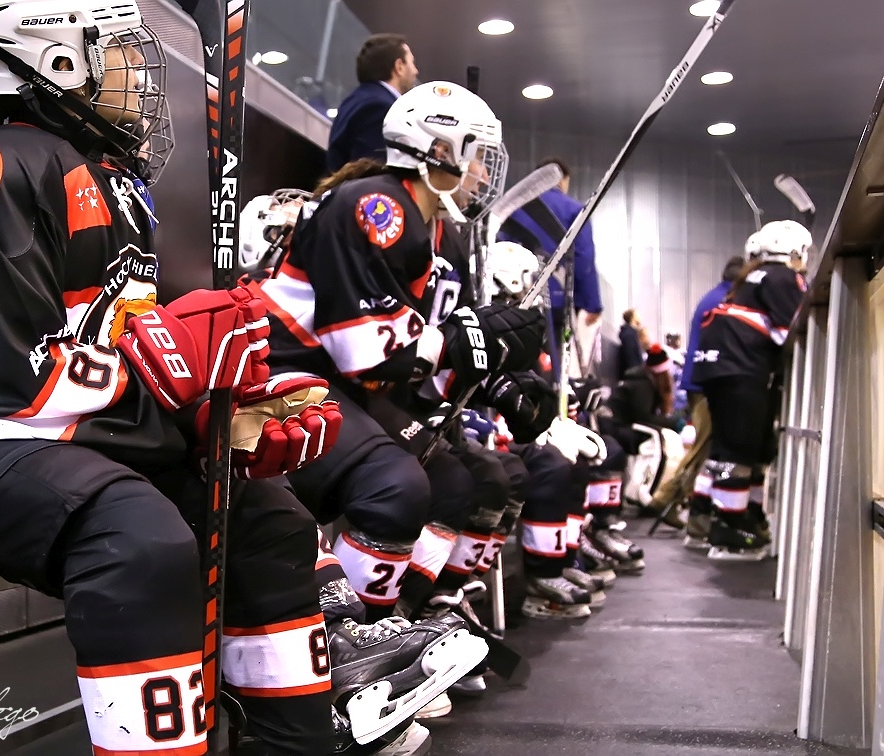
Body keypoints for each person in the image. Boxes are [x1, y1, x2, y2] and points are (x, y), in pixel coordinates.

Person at [0, 4, 456, 754]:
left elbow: (92, 369)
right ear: (57, 61)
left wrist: (204, 418)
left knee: (265, 517)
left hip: (19, 423)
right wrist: (168, 391)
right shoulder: (1, 167)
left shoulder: (114, 186)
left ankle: (303, 741)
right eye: (120, 54)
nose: (139, 75)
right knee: (135, 532)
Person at [257, 80, 545, 622]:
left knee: (459, 479)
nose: (483, 174)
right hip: (278, 370)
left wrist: (497, 376)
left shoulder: (429, 225)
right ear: (439, 152)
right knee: (397, 482)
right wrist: (475, 338)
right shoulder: (377, 206)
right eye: (477, 157)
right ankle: (341, 636)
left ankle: (411, 612)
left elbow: (420, 347)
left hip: (336, 378)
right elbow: (370, 354)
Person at [688, 222, 809, 560]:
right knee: (740, 450)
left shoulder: (751, 277)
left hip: (719, 365)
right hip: (742, 367)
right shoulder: (783, 277)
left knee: (735, 447)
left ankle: (708, 516)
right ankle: (729, 527)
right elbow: (792, 331)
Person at [649, 256, 744, 532]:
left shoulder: (714, 297)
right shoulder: (724, 301)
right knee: (703, 447)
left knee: (706, 447)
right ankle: (665, 496)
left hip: (701, 383)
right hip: (707, 386)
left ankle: (688, 512)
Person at [495, 159, 604, 379]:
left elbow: (501, 249)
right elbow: (584, 259)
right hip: (558, 300)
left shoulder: (515, 207)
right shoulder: (574, 210)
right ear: (563, 180)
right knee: (557, 365)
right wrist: (591, 303)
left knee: (521, 358)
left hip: (519, 298)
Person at [326, 34, 419, 174]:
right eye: (412, 63)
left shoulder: (357, 100)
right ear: (399, 67)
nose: (416, 71)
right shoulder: (380, 107)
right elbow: (372, 173)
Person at [617, 308, 645, 378]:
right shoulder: (629, 335)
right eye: (637, 314)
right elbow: (631, 357)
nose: (640, 317)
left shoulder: (632, 334)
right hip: (633, 377)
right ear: (632, 317)